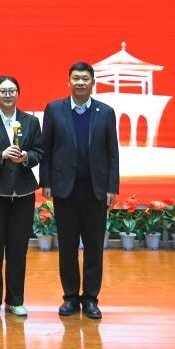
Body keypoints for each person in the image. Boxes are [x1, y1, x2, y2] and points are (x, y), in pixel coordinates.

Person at [40, 61, 119, 320]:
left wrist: (111, 187)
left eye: (85, 78)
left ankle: (91, 298)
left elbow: (112, 153)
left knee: (94, 246)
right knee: (68, 246)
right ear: (69, 81)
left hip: (96, 189)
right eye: (76, 78)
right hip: (65, 189)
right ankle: (71, 297)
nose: (80, 82)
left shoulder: (105, 112)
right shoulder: (55, 109)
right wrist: (46, 182)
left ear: (93, 82)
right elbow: (46, 149)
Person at [0, 75, 43, 318]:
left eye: (12, 90)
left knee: (18, 248)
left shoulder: (31, 121)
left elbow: (39, 151)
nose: (7, 94)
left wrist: (27, 157)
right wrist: (1, 155)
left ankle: (15, 300)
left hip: (23, 193)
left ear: (18, 93)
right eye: (3, 91)